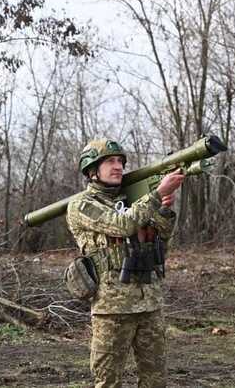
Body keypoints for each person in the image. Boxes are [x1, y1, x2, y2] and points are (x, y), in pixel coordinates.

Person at [66, 138, 185, 388]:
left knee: (155, 380)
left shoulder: (134, 201)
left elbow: (161, 238)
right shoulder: (82, 205)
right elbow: (122, 225)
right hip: (112, 308)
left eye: (120, 161)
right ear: (91, 170)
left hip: (149, 303)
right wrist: (157, 194)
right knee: (108, 381)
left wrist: (163, 209)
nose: (118, 166)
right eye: (110, 161)